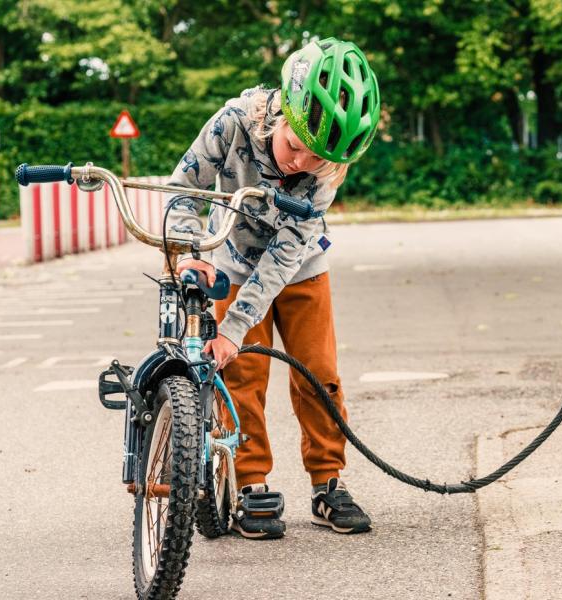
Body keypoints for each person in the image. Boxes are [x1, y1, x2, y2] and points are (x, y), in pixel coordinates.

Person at [165, 38, 381, 539]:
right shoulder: (233, 121)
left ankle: (328, 484)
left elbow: (282, 260)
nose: (300, 164)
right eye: (295, 147)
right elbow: (183, 188)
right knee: (239, 374)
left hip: (300, 269)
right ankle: (252, 486)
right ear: (280, 114)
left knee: (318, 374)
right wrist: (190, 251)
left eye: (316, 159)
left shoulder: (324, 172)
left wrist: (236, 324)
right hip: (233, 261)